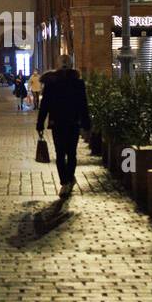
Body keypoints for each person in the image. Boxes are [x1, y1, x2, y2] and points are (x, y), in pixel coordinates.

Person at [36, 55, 92, 199]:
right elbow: (83, 105)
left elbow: (45, 105)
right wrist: (86, 123)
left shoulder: (51, 83)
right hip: (73, 123)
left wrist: (40, 123)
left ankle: (64, 181)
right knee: (71, 153)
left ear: (58, 65)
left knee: (60, 153)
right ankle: (69, 178)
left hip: (57, 123)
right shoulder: (78, 83)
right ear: (72, 65)